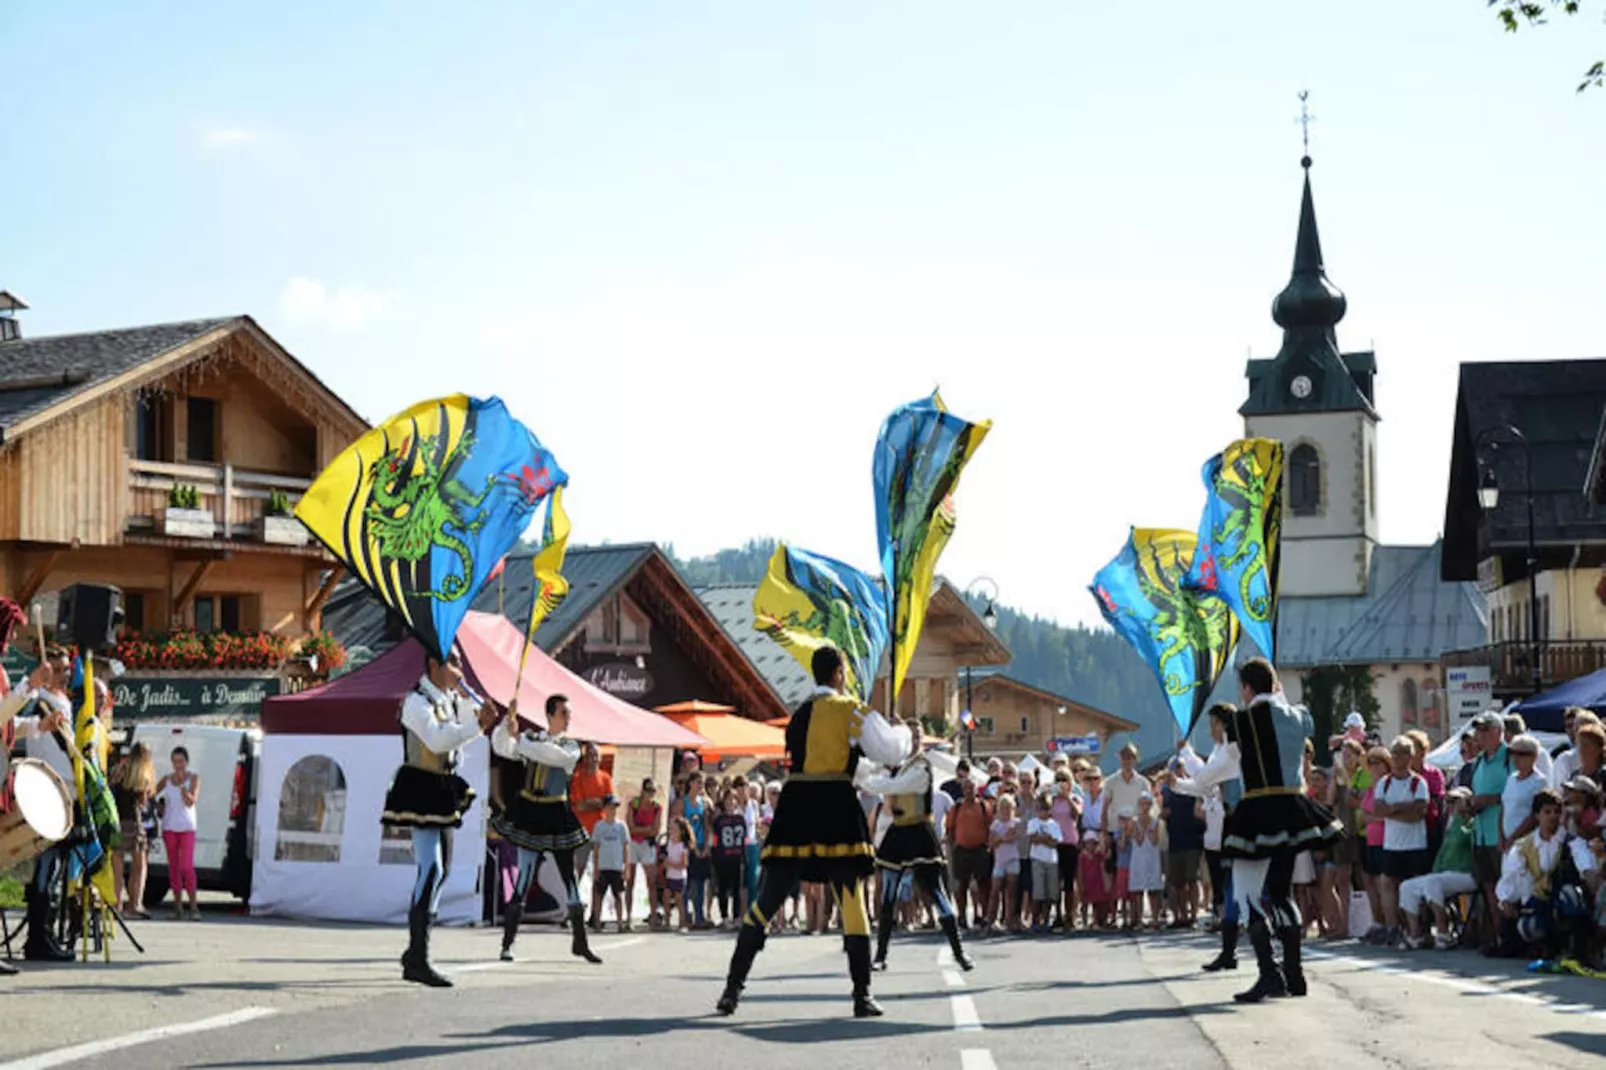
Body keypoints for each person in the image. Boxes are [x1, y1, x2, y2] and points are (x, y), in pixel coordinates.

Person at [716, 645, 912, 1019]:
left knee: (767, 900)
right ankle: (861, 995)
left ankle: (732, 989)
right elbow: (889, 751)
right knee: (851, 900)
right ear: (838, 673)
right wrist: (901, 732)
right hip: (835, 806)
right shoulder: (849, 709)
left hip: (796, 805)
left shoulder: (798, 714)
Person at [1217, 659, 1341, 1003]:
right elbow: (1303, 723)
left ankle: (1270, 974)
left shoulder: (1239, 721)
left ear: (1246, 688)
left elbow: (1225, 765)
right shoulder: (1298, 715)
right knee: (1282, 891)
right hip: (1292, 807)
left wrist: (1188, 784)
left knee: (1248, 896)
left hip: (1257, 808)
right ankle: (1295, 975)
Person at [381, 648, 497, 986]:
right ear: (434, 665)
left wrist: (474, 714)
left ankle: (415, 952)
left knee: (441, 870)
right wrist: (477, 724)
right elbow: (438, 738)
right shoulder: (417, 702)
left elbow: (457, 740)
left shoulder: (445, 699)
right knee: (431, 868)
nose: (461, 669)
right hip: (419, 787)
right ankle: (418, 956)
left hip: (441, 787)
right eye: (455, 662)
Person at [490, 692, 602, 966]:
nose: (568, 718)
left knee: (569, 879)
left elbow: (552, 756)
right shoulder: (532, 739)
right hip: (531, 811)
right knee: (523, 878)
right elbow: (502, 747)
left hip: (556, 812)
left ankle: (580, 942)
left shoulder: (571, 747)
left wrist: (522, 742)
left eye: (569, 714)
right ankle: (508, 943)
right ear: (550, 715)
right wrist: (508, 723)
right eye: (564, 713)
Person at [862, 727, 973, 970]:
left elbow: (895, 787)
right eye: (908, 737)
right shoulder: (898, 766)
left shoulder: (921, 767)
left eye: (916, 737)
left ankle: (959, 951)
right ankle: (881, 955)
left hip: (920, 832)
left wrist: (862, 777)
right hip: (899, 831)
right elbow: (885, 782)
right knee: (888, 896)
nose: (912, 742)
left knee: (936, 893)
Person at [3, 644, 76, 961]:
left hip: (62, 792)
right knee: (44, 871)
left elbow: (9, 725)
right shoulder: (37, 699)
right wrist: (30, 686)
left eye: (65, 670)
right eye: (56, 670)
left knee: (54, 872)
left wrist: (37, 726)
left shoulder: (55, 703)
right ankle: (37, 936)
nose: (63, 675)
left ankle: (42, 934)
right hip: (40, 790)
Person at [1398, 787, 1476, 950]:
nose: (1451, 805)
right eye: (1449, 802)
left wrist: (1462, 816)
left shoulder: (1471, 823)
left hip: (1467, 874)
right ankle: (1415, 934)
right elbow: (1441, 856)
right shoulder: (1448, 825)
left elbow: (1464, 838)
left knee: (1433, 882)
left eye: (1456, 802)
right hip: (1445, 876)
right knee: (1407, 886)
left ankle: (1443, 933)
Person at [110, 742, 157, 919]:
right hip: (134, 823)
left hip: (116, 822)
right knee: (140, 865)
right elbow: (144, 803)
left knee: (117, 865)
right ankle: (135, 903)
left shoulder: (118, 771)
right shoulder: (143, 776)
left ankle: (117, 903)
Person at [158, 746, 202, 920]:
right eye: (175, 762)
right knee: (174, 868)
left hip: (187, 827)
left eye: (181, 761)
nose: (178, 765)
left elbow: (191, 802)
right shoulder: (167, 780)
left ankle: (193, 907)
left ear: (187, 762)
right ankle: (177, 907)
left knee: (187, 867)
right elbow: (153, 792)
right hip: (169, 827)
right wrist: (159, 806)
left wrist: (184, 789)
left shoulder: (194, 778)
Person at [589, 796, 630, 932]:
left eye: (615, 807)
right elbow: (596, 848)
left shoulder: (621, 826)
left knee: (618, 894)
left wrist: (626, 866)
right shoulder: (599, 826)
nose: (613, 810)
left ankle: (620, 923)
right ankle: (597, 922)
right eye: (610, 807)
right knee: (599, 894)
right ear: (605, 808)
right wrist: (595, 868)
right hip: (603, 865)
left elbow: (625, 847)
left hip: (617, 866)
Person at [627, 779, 662, 929]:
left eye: (653, 791)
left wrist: (641, 829)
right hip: (634, 844)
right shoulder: (633, 804)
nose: (650, 794)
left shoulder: (656, 807)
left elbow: (656, 830)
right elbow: (630, 827)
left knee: (651, 882)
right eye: (648, 790)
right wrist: (646, 829)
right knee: (630, 881)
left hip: (647, 844)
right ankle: (627, 917)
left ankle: (653, 916)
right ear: (642, 791)